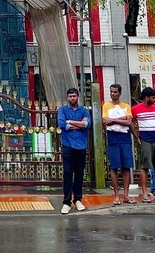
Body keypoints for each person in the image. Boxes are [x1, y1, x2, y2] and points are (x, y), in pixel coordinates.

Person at [57, 87, 91, 215]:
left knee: (79, 173)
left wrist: (70, 122)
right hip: (68, 145)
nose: (72, 98)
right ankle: (66, 201)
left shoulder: (84, 111)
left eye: (74, 96)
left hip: (81, 145)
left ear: (78, 97)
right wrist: (79, 124)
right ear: (67, 97)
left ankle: (78, 199)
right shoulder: (62, 110)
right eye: (70, 96)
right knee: (67, 173)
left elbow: (87, 125)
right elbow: (62, 125)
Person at [132, 87, 155, 203]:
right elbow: (130, 123)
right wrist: (137, 137)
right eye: (153, 97)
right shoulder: (136, 109)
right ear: (146, 97)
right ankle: (144, 193)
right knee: (144, 167)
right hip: (145, 140)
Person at [102, 83, 135, 206]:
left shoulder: (126, 106)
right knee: (114, 167)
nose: (113, 94)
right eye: (111, 92)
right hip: (113, 138)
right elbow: (106, 121)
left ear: (120, 93)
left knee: (126, 167)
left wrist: (114, 119)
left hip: (125, 137)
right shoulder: (106, 106)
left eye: (115, 92)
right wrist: (122, 119)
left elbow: (129, 121)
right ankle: (116, 195)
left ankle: (126, 195)